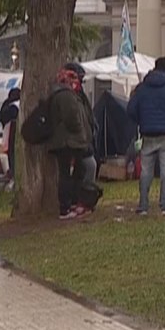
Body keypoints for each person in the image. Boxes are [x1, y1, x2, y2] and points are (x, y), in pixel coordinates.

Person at [127, 57, 165, 216]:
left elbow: (131, 109)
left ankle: (143, 205)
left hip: (147, 133)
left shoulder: (141, 88)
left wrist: (141, 121)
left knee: (146, 171)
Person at [47, 62, 95, 220]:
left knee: (75, 172)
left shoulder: (66, 94)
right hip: (69, 141)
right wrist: (79, 131)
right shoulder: (66, 95)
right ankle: (66, 207)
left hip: (69, 140)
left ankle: (72, 203)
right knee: (68, 174)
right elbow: (72, 118)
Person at [0, 88, 21, 181]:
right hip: (12, 133)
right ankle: (12, 174)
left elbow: (1, 116)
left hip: (9, 132)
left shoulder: (9, 105)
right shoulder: (15, 106)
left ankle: (11, 174)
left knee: (10, 155)